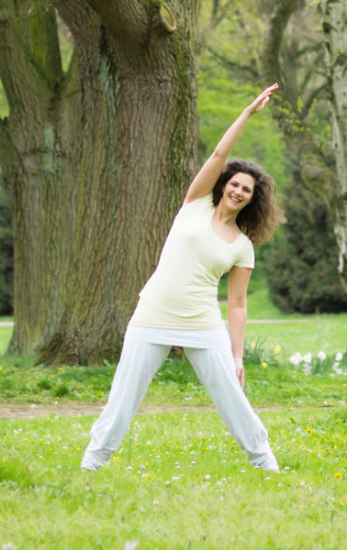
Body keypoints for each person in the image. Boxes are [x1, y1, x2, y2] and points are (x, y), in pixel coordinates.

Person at [81, 84, 285, 473]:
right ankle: (93, 461)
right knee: (124, 394)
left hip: (201, 322)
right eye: (235, 184)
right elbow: (219, 153)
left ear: (252, 200)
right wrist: (247, 113)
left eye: (247, 189)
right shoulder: (194, 205)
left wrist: (236, 355)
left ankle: (263, 459)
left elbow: (238, 304)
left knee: (230, 395)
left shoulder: (243, 246)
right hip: (152, 313)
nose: (239, 191)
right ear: (224, 184)